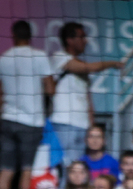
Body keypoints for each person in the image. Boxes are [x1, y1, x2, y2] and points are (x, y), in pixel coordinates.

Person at [0, 20, 54, 189]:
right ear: (30, 36)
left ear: (13, 35)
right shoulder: (39, 56)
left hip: (7, 120)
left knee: (6, 170)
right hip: (31, 122)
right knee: (27, 171)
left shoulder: (2, 59)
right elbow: (51, 89)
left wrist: (1, 118)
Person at [51, 22, 122, 166]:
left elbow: (88, 100)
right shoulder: (59, 57)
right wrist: (113, 63)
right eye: (82, 37)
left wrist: (92, 126)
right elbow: (88, 68)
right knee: (64, 167)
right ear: (69, 40)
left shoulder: (81, 66)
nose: (86, 41)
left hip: (82, 125)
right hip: (64, 122)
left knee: (78, 168)